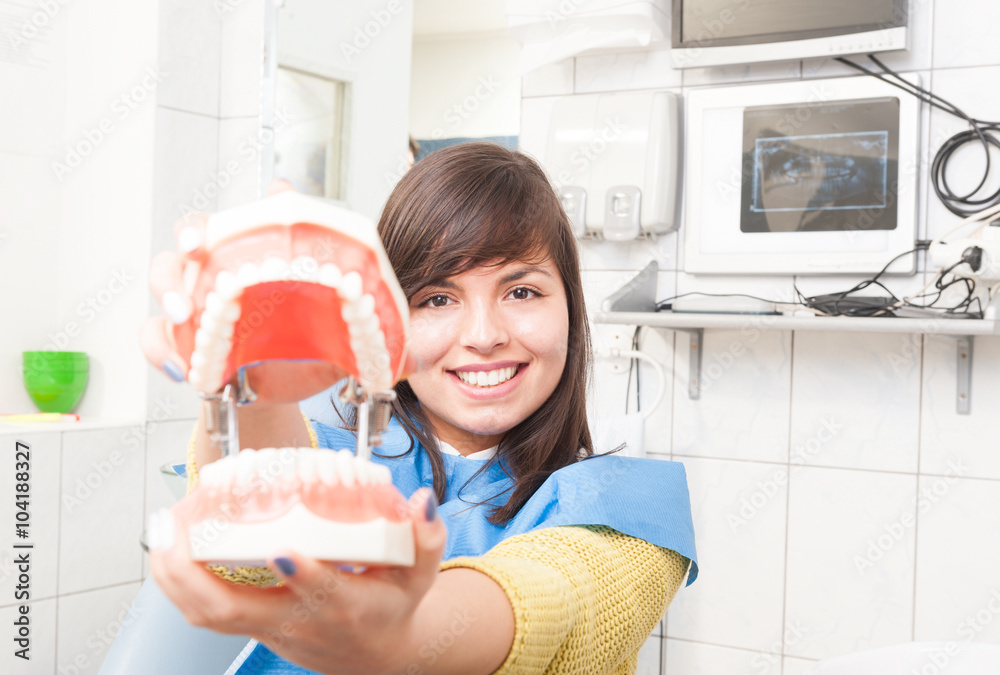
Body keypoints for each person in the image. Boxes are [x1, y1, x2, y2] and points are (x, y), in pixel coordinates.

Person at [133, 142, 697, 675]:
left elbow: (557, 600)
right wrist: (255, 362)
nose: (483, 335)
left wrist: (404, 634)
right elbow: (259, 501)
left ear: (570, 308)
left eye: (521, 291)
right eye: (437, 298)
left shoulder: (628, 510)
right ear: (391, 323)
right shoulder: (337, 468)